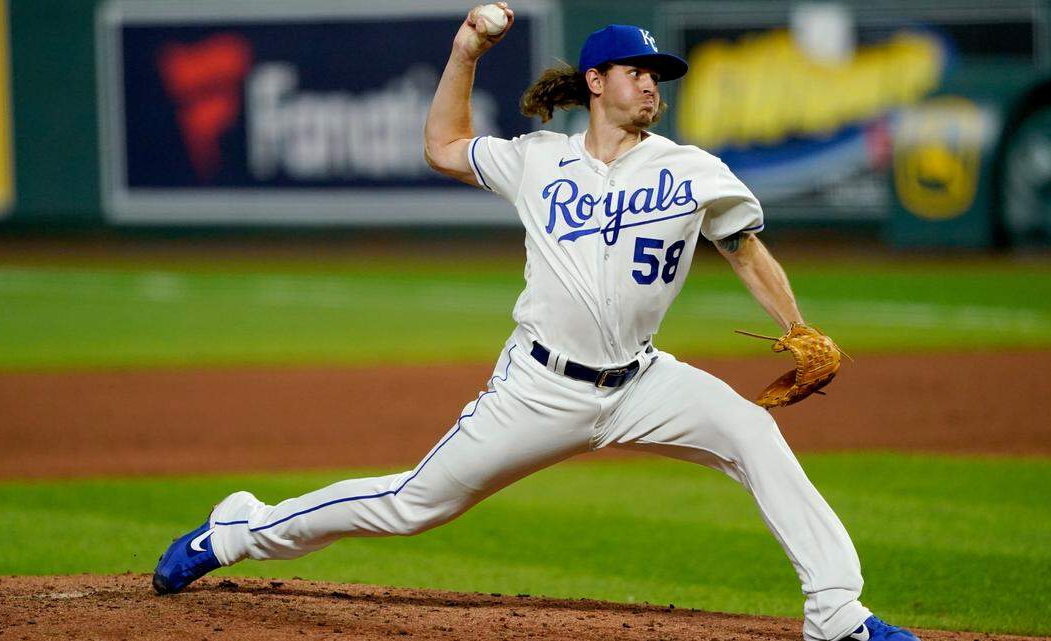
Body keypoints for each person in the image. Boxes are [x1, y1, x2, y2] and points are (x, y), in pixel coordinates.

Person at [153, 6, 919, 641]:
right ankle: (239, 530)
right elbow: (442, 146)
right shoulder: (539, 159)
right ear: (596, 82)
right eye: (639, 72)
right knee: (413, 503)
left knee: (753, 436)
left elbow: (746, 249)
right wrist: (465, 53)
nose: (653, 85)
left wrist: (797, 322)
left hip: (644, 380)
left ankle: (836, 613)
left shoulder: (691, 169)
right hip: (540, 388)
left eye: (658, 76)